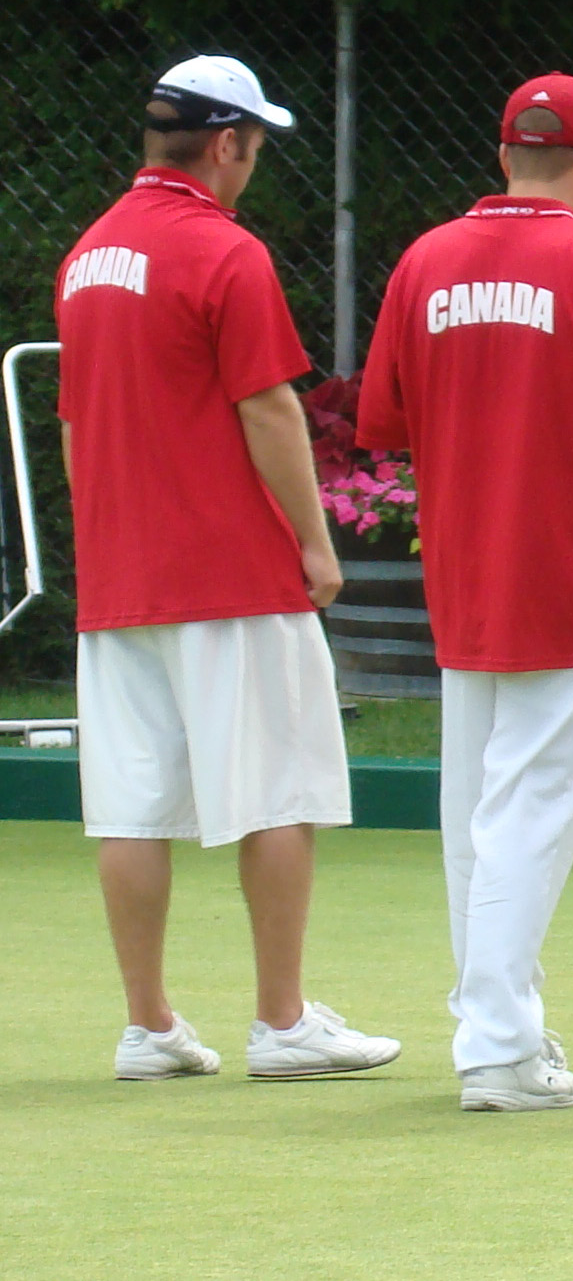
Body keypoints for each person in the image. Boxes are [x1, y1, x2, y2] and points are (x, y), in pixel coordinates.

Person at [57, 54, 401, 1082]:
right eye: (253, 145)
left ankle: (149, 1026)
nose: (252, 163)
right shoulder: (224, 251)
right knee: (280, 790)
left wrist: (100, 542)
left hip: (121, 579)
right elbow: (267, 405)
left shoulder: (86, 255)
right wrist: (314, 538)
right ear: (224, 144)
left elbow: (75, 419)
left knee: (129, 804)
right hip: (231, 571)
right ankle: (283, 1020)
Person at [357, 72, 573, 1111]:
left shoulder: (425, 260)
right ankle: (498, 1045)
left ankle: (499, 1025)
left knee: (478, 814)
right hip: (571, 575)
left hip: (464, 574)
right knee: (527, 814)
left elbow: (386, 423)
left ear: (505, 155)